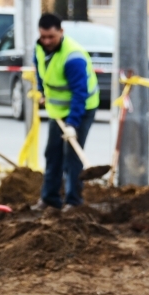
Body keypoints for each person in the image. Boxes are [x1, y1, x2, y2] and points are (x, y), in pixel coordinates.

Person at [32, 13, 99, 211]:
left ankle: (73, 202)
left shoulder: (73, 57)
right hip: (57, 110)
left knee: (72, 156)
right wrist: (42, 92)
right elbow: (40, 71)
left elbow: (80, 93)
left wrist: (72, 124)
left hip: (82, 109)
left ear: (61, 32)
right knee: (52, 153)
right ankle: (50, 199)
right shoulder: (39, 48)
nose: (47, 41)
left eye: (51, 37)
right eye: (43, 36)